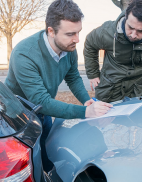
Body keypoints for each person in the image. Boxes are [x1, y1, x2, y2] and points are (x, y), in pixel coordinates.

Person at [5, 0, 112, 172]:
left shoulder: (69, 48)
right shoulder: (24, 53)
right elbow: (41, 100)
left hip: (42, 110)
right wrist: (85, 113)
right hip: (18, 116)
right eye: (70, 34)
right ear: (51, 31)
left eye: (78, 32)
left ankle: (49, 172)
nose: (77, 39)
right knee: (28, 161)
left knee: (46, 148)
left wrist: (87, 101)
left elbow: (73, 77)